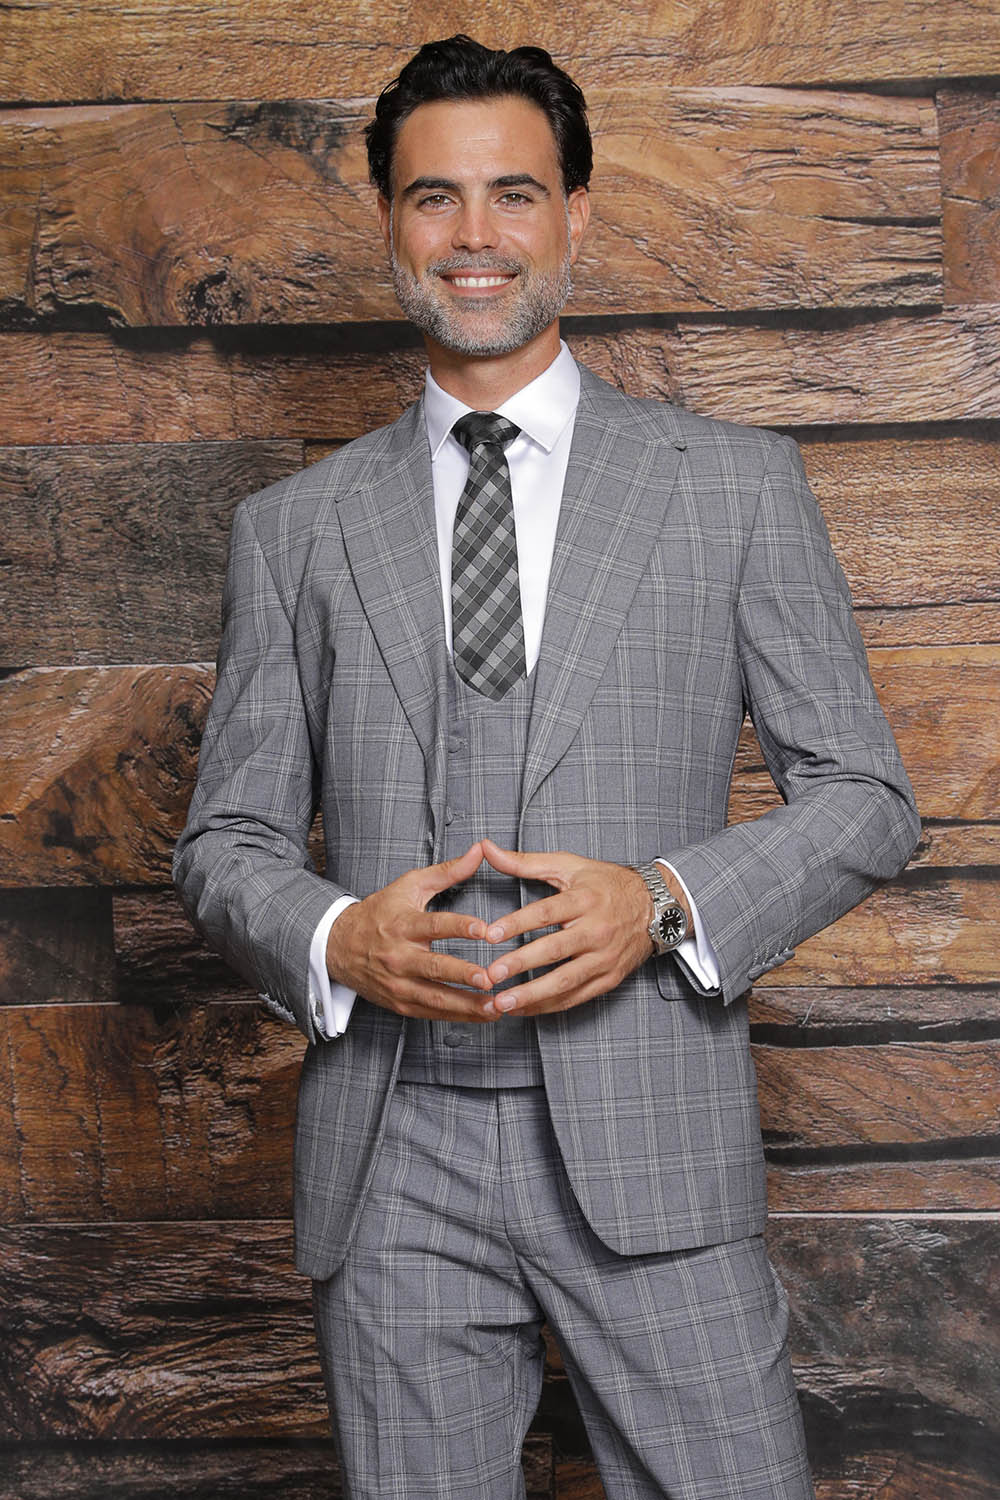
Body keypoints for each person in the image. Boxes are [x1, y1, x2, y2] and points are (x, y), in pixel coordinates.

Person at [174, 35, 919, 1500]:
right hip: (391, 1161)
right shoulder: (295, 531)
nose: (474, 237)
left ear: (577, 213)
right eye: (433, 199)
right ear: (390, 225)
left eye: (513, 194)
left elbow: (868, 797)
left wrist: (662, 901)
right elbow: (223, 845)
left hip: (652, 1133)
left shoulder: (734, 487)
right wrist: (339, 935)